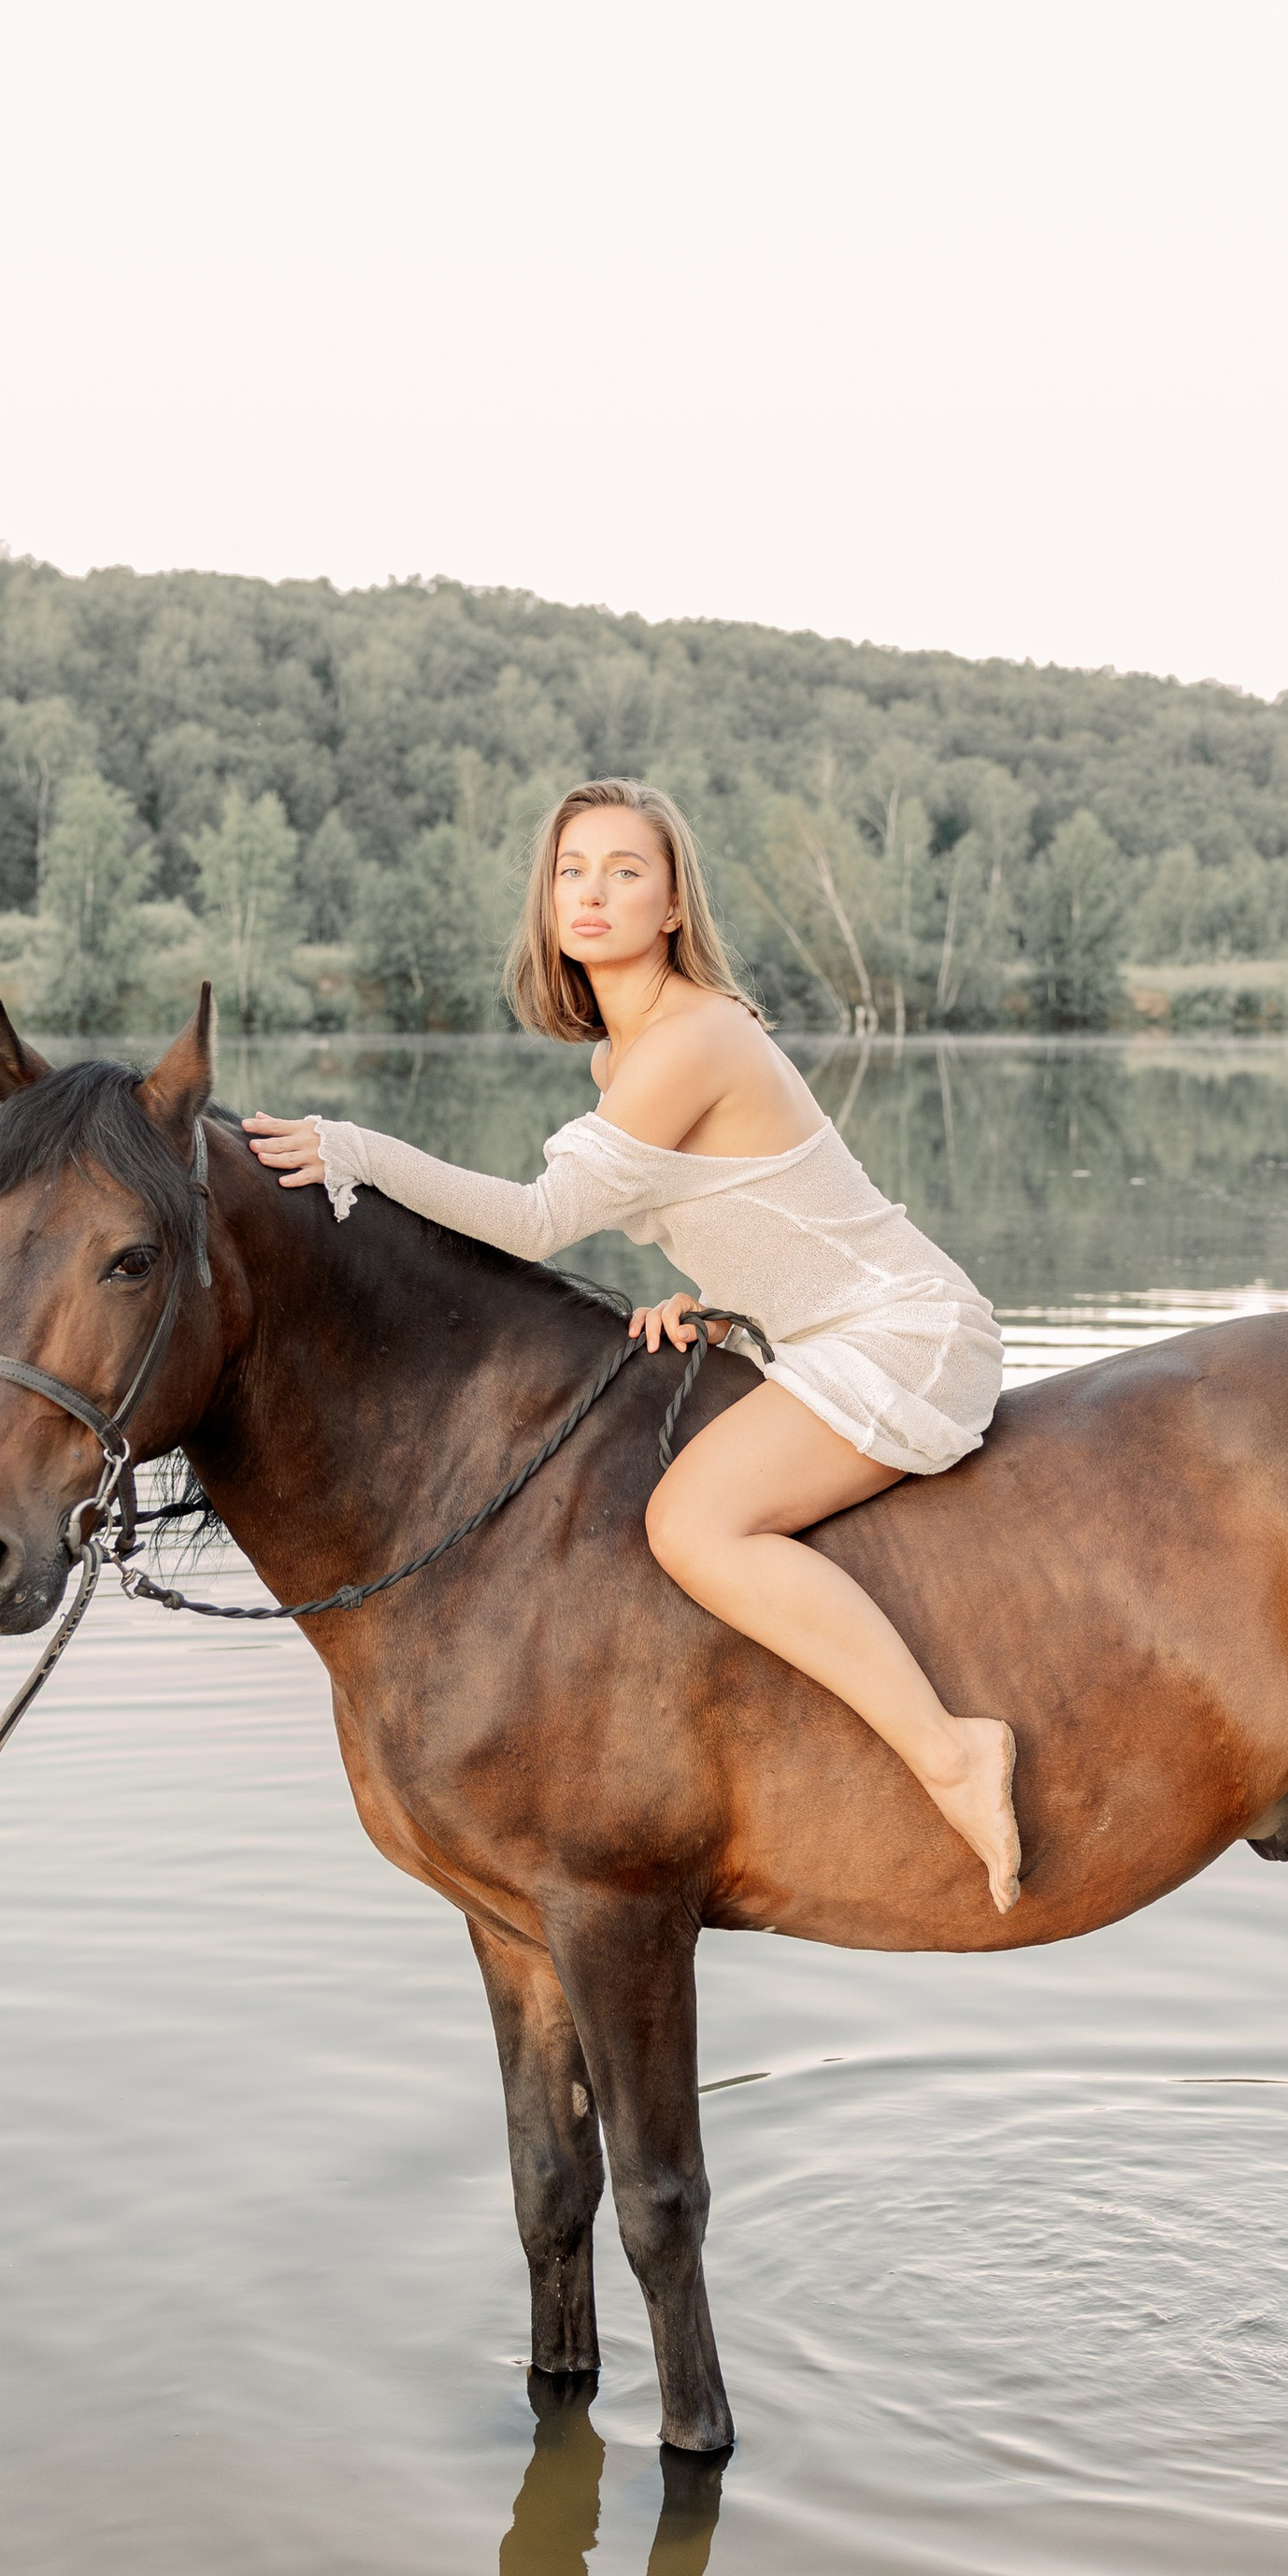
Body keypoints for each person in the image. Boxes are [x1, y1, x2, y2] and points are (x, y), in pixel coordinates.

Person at [247, 780, 1018, 1907]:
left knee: (691, 1522)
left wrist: (356, 1148)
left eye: (624, 871)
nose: (592, 892)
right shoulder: (627, 1056)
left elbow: (538, 1221)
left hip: (904, 1331)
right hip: (817, 1332)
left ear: (671, 906)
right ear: (548, 904)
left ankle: (952, 1749)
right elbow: (775, 1208)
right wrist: (715, 1297)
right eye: (571, 871)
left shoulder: (692, 1037)